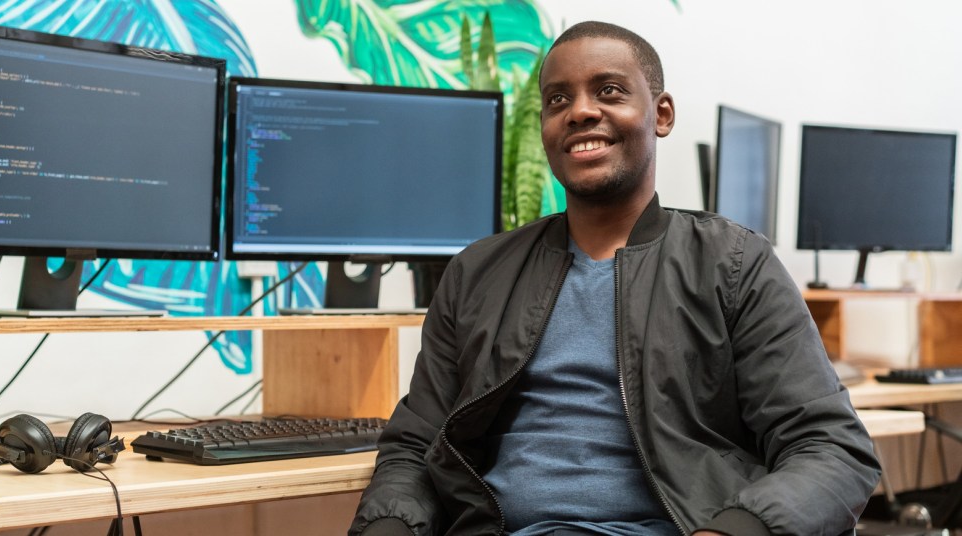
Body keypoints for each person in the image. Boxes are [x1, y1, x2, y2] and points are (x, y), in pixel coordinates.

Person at [349, 20, 881, 536]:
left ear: (662, 113)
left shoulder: (733, 263)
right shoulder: (478, 272)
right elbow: (415, 448)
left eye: (608, 90)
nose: (580, 111)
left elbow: (832, 448)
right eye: (558, 100)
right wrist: (390, 525)